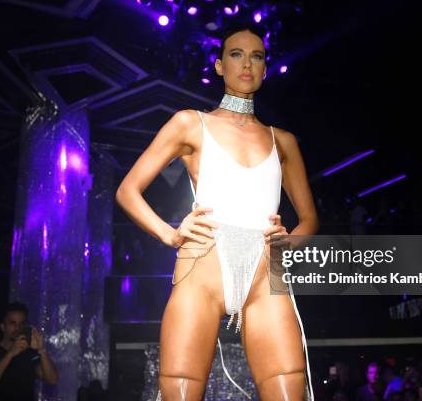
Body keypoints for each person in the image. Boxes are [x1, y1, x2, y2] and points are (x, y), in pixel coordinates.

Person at [116, 23, 319, 400]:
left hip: (266, 271)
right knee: (180, 391)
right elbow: (127, 190)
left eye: (257, 56)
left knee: (290, 390)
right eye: (236, 54)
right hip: (203, 266)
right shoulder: (191, 123)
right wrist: (169, 233)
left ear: (264, 67)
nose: (247, 64)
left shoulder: (284, 141)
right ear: (220, 65)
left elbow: (310, 220)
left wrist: (290, 240)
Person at [0, 302, 58, 400]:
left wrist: (41, 349)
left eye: (21, 323)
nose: (18, 328)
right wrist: (10, 354)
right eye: (12, 323)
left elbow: (52, 379)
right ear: (3, 326)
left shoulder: (29, 353)